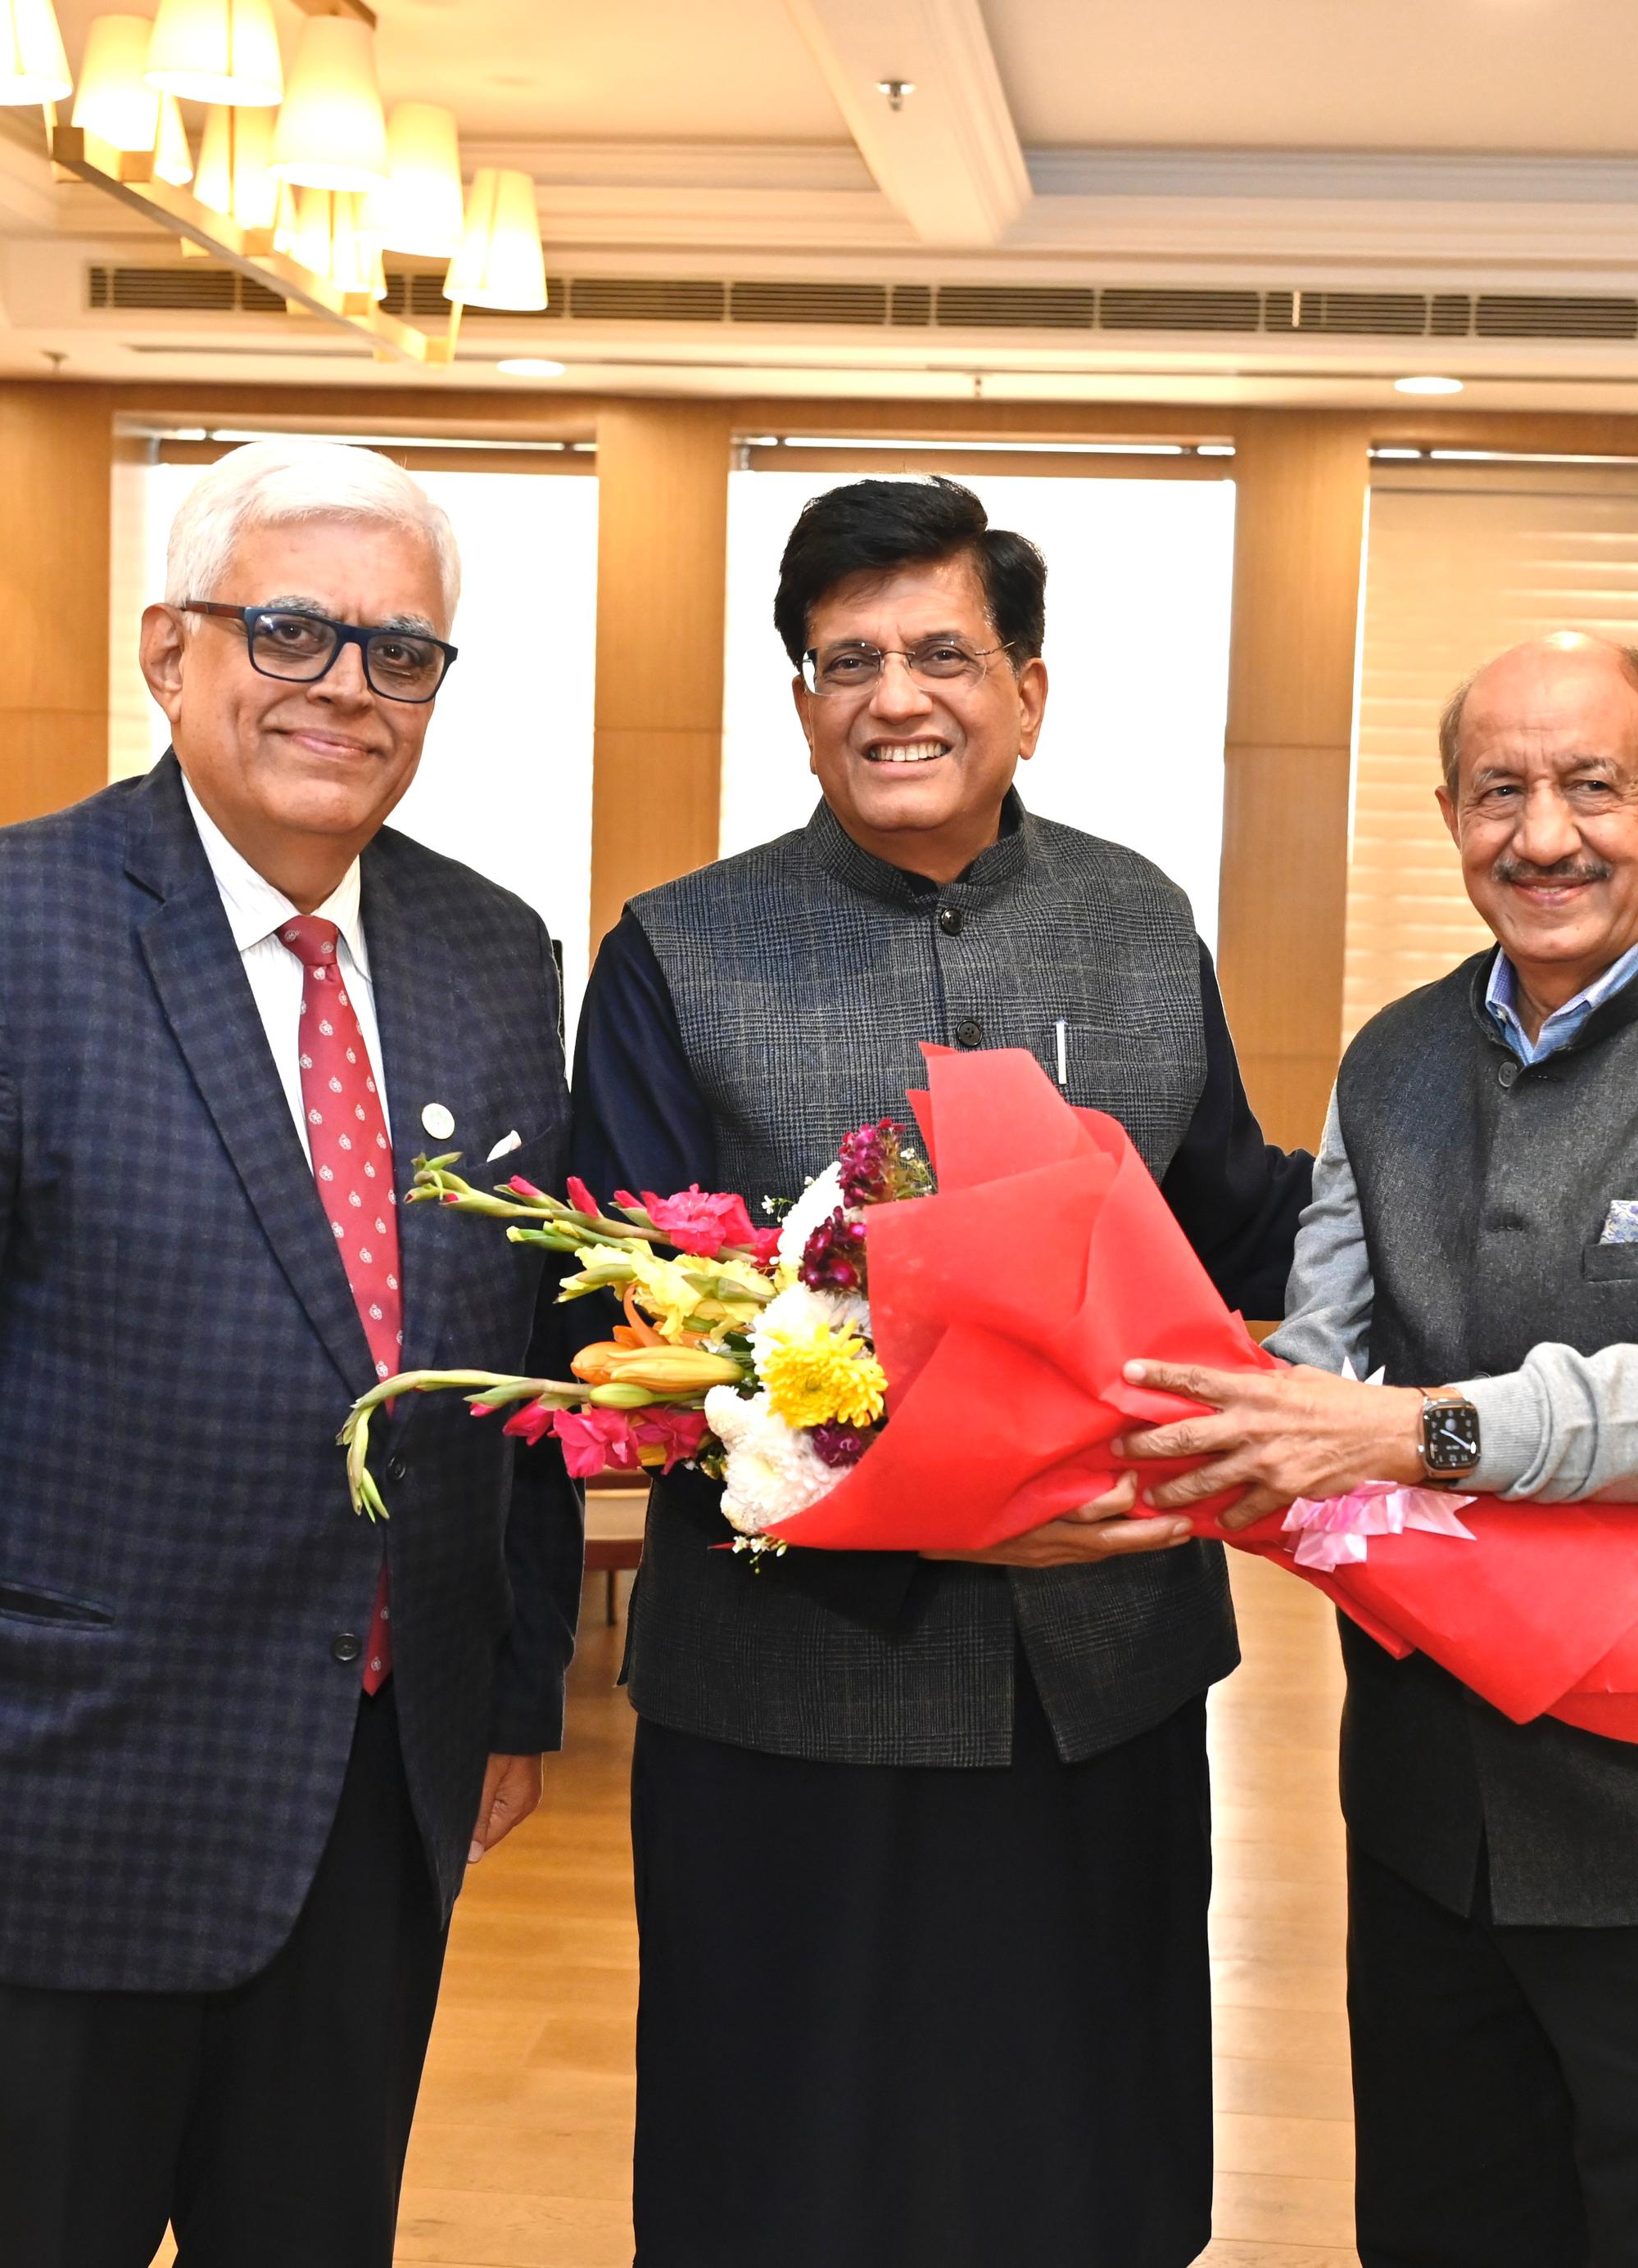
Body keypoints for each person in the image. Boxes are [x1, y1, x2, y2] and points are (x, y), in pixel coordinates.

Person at [0, 440, 581, 2268]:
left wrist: (516, 1694)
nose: (345, 686)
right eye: (287, 629)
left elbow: (506, 1365)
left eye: (400, 650)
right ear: (167, 650)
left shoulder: (491, 945)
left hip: (384, 1773)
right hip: (67, 1786)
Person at [571, 476, 1312, 2268]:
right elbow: (627, 1333)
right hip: (788, 1683)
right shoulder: (682, 946)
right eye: (845, 661)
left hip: (1101, 1672)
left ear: (1027, 690)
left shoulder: (1138, 918)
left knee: (1080, 2145)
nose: (893, 695)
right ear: (803, 698)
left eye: (940, 653)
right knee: (782, 2149)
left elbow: (1231, 1224)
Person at [1120, 632, 1638, 2268]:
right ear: (1449, 814)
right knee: (1440, 2226)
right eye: (1499, 791)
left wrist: (1415, 1433)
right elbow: (1317, 1363)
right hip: (1437, 1812)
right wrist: (1142, 1438)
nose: (1541, 834)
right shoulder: (1392, 1059)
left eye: (1590, 786)